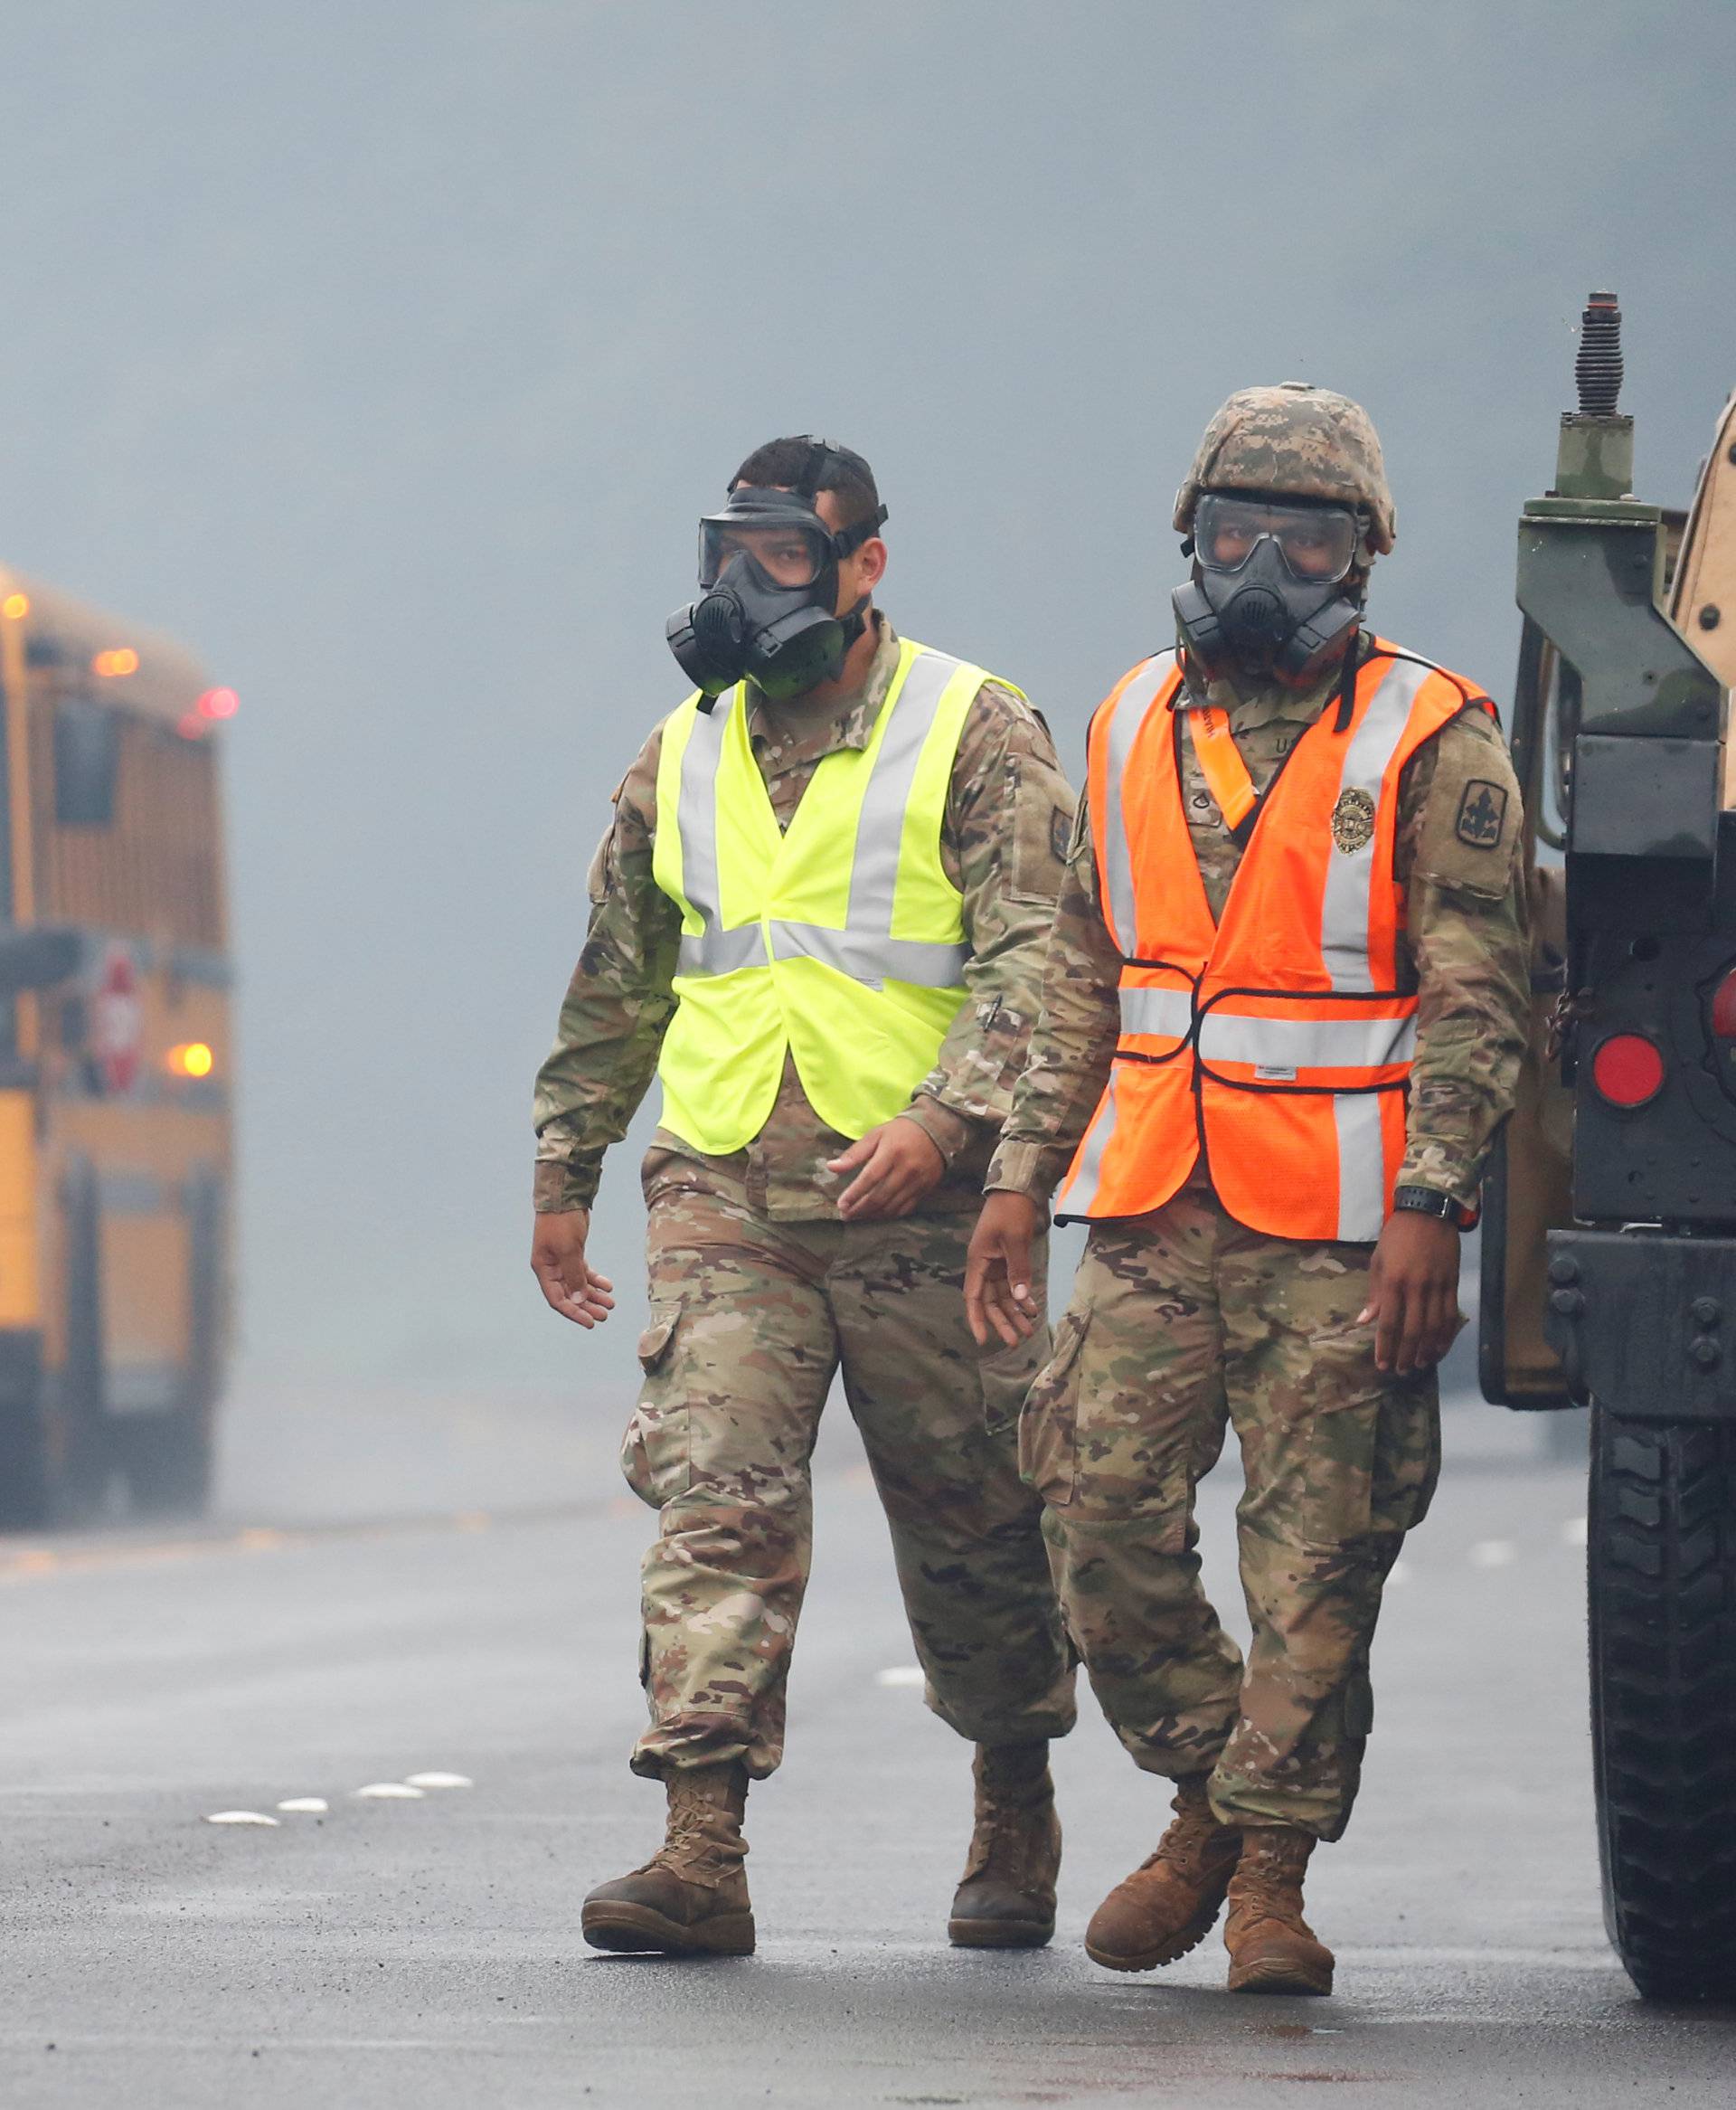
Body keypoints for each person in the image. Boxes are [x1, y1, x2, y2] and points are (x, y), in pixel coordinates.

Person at [966, 385, 1530, 1996]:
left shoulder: (1433, 732)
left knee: (1320, 1553)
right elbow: (1082, 973)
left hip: (1346, 1227)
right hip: (1148, 1201)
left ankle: (1269, 1874)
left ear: (1365, 554)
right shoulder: (1129, 713)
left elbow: (1479, 991)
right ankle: (1209, 1791)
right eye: (1234, 531)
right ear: (1188, 540)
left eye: (1306, 535)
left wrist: (1437, 1201)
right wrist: (1020, 1175)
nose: (1265, 563)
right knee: (1092, 1507)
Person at [533, 437, 1077, 1959]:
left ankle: (1014, 1791)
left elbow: (1045, 961)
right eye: (728, 554)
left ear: (863, 566)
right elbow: (617, 978)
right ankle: (700, 1846)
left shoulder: (978, 729)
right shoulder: (682, 748)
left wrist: (956, 1121)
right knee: (715, 1489)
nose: (745, 586)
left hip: (919, 1202)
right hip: (726, 1188)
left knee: (977, 1529)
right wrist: (565, 1165)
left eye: (782, 557)